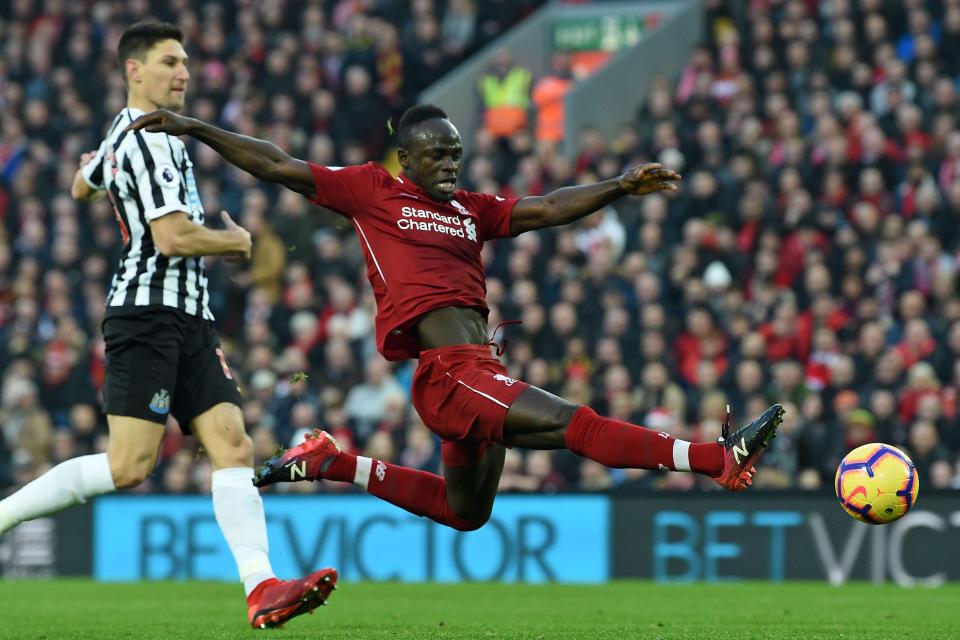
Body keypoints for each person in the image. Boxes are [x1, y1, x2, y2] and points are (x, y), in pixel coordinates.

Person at [125, 102, 784, 533]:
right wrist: (195, 128)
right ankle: (713, 459)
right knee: (570, 421)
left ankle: (332, 463)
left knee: (465, 512)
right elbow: (275, 162)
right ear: (406, 158)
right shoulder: (372, 190)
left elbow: (547, 208)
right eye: (437, 154)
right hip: (446, 373)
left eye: (456, 153)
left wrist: (618, 186)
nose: (449, 163)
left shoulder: (471, 209)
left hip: (479, 369)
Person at [0, 21, 335, 629]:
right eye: (169, 62)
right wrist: (235, 243)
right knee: (130, 466)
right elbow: (172, 236)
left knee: (233, 443)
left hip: (190, 319)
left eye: (184, 63)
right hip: (147, 316)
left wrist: (89, 173)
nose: (183, 73)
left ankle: (262, 588)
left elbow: (82, 183)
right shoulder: (152, 140)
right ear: (135, 70)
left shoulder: (125, 131)